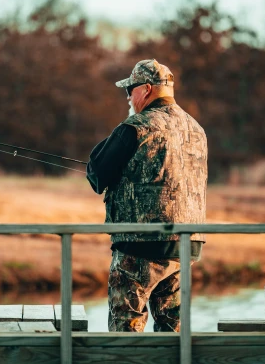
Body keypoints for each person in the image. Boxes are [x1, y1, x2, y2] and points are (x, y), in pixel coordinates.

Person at [86, 59, 208, 332]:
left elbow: (97, 176)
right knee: (174, 334)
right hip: (186, 246)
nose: (128, 96)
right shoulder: (197, 129)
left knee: (126, 332)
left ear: (147, 89)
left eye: (130, 89)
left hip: (139, 245)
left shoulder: (135, 127)